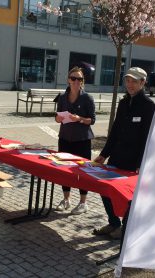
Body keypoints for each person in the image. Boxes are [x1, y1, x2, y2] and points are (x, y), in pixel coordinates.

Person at [93, 67, 155, 239]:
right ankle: (113, 222)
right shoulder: (123, 103)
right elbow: (115, 131)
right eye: (128, 80)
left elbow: (147, 139)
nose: (130, 84)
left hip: (133, 161)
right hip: (117, 157)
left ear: (143, 83)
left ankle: (126, 229)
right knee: (105, 189)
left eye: (134, 81)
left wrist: (140, 164)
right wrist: (104, 154)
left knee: (129, 196)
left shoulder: (148, 106)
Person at [55, 67, 96, 215]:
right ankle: (66, 199)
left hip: (82, 140)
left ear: (83, 82)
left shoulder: (87, 98)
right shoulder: (62, 97)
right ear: (68, 80)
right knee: (65, 170)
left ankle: (83, 202)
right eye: (73, 78)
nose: (76, 82)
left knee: (82, 171)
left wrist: (79, 119)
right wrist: (58, 118)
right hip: (65, 138)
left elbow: (92, 120)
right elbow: (57, 116)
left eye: (80, 79)